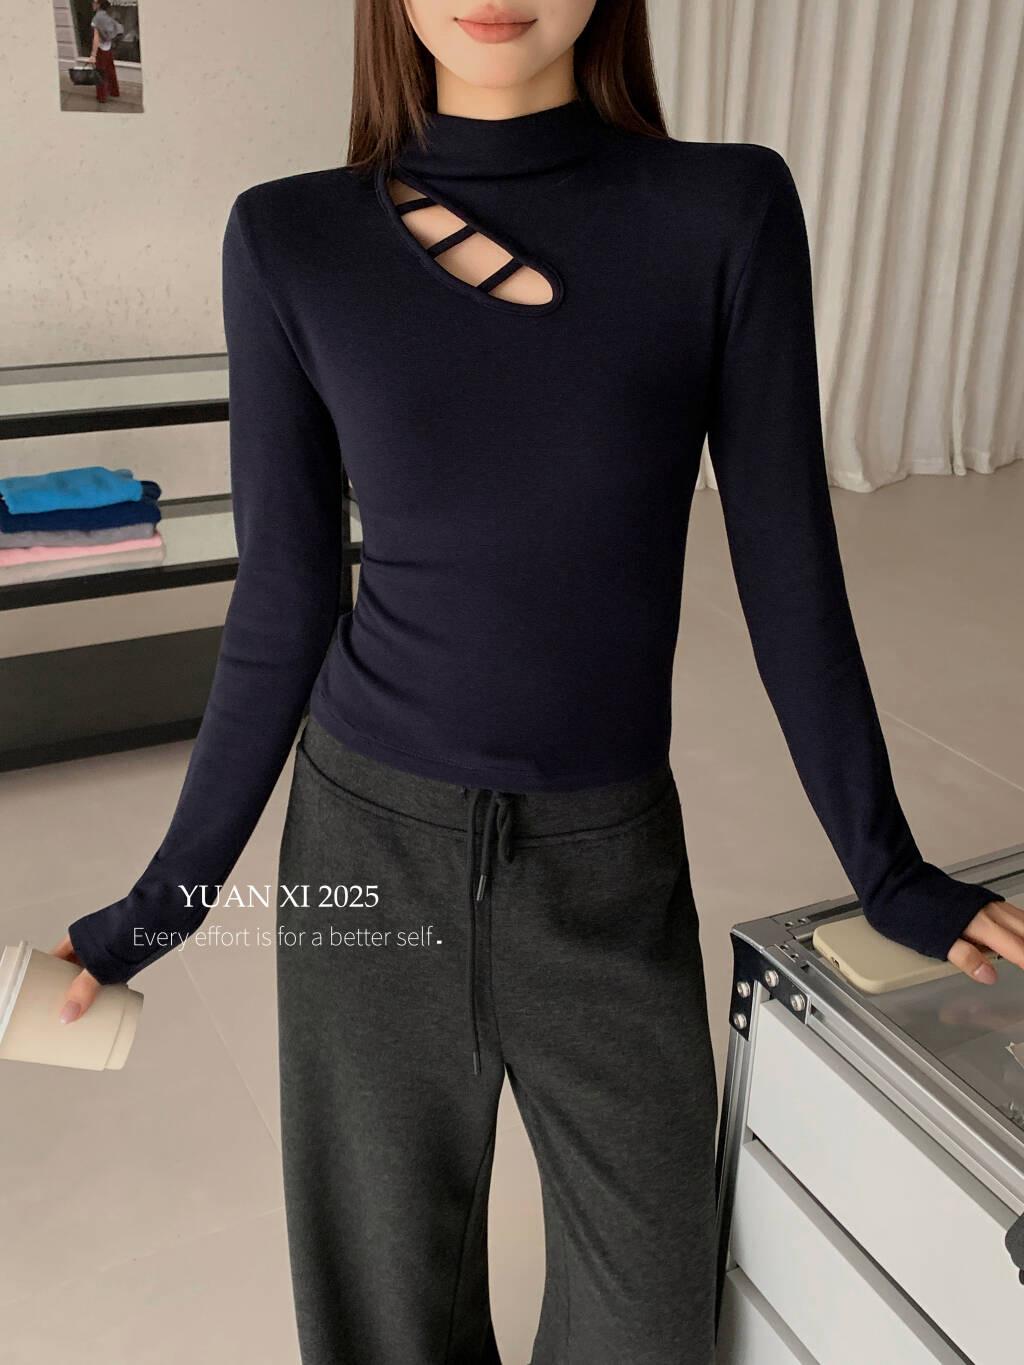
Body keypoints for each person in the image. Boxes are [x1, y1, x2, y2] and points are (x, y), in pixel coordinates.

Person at [49, 2, 1022, 1361]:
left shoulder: (724, 211)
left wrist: (889, 867)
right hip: (367, 853)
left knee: (649, 1316)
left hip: (605, 863)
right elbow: (282, 599)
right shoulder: (288, 237)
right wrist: (163, 905)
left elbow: (788, 570)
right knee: (382, 1318)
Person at [85, 0, 122, 104]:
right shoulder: (108, 16)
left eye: (94, 2)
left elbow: (96, 38)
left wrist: (93, 55)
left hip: (101, 50)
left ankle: (102, 97)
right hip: (108, 48)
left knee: (100, 74)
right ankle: (114, 92)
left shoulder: (96, 18)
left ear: (99, 4)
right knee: (110, 71)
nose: (92, 4)